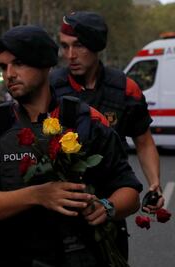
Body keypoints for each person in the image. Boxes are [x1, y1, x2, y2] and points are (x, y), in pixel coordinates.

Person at [0, 25, 142, 267]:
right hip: (15, 258)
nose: (9, 74)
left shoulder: (89, 120)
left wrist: (107, 207)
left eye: (19, 63)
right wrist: (37, 195)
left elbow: (129, 192)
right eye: (3, 67)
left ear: (45, 64)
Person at [50, 11, 164, 214]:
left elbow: (144, 142)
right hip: (62, 206)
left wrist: (154, 183)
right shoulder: (50, 88)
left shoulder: (126, 89)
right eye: (65, 46)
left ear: (96, 46)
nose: (70, 55)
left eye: (78, 45)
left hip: (111, 205)